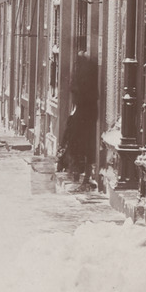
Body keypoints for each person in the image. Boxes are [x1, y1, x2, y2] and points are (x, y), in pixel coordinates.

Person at [59, 41, 100, 189]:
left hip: (85, 114)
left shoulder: (84, 73)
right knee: (82, 146)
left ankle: (79, 173)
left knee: (79, 144)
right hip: (86, 114)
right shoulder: (86, 70)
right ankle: (80, 173)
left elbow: (78, 91)